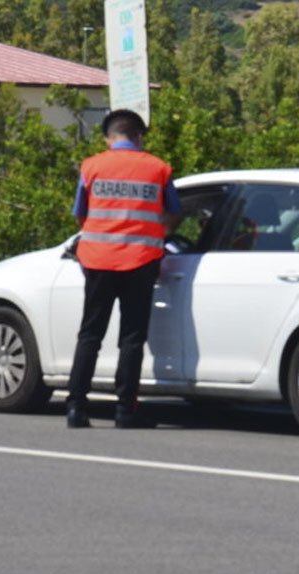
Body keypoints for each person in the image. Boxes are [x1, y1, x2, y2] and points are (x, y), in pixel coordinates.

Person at [66, 109, 183, 429]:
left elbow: (81, 214)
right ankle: (125, 410)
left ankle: (76, 408)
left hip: (97, 261)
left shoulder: (91, 167)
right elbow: (175, 212)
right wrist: (160, 234)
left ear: (110, 137)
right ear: (139, 136)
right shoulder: (158, 169)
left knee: (90, 334)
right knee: (131, 338)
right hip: (140, 262)